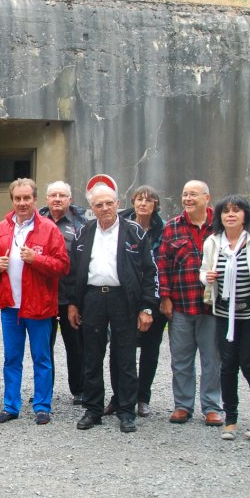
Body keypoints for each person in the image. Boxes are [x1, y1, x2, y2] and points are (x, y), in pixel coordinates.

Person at [67, 184, 157, 433]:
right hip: (93, 298)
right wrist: (73, 303)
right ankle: (93, 409)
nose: (105, 208)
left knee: (125, 357)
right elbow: (73, 273)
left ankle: (126, 411)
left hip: (124, 299)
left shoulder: (134, 232)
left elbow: (150, 272)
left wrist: (147, 308)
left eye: (109, 203)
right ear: (92, 209)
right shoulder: (84, 233)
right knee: (92, 357)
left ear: (118, 204)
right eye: (99, 204)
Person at [0, 178, 70, 426]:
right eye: (17, 199)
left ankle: (42, 406)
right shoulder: (2, 227)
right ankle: (11, 406)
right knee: (12, 358)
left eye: (26, 198)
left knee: (41, 358)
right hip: (11, 305)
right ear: (12, 200)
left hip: (39, 305)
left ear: (35, 200)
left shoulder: (49, 229)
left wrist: (36, 259)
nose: (22, 203)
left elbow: (63, 266)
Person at [200, 195, 250, 442]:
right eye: (225, 211)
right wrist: (206, 277)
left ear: (245, 216)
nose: (230, 215)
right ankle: (230, 418)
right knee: (227, 365)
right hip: (223, 311)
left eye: (236, 211)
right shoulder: (213, 242)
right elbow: (204, 271)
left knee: (249, 364)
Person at [158, 180, 223, 426]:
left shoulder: (220, 225)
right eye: (185, 194)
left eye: (193, 194)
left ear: (207, 197)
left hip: (212, 306)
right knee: (181, 359)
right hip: (181, 304)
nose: (187, 199)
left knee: (211, 359)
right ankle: (182, 405)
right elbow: (163, 263)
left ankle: (212, 407)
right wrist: (165, 297)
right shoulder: (173, 226)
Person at [115, 185, 167, 417]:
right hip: (123, 295)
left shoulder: (163, 230)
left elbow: (162, 267)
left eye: (148, 200)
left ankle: (142, 397)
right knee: (119, 349)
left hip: (152, 294)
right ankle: (120, 396)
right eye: (139, 199)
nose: (143, 203)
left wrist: (161, 298)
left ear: (155, 205)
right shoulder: (120, 223)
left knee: (149, 349)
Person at [39, 180, 89, 405]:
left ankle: (79, 389)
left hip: (70, 296)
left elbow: (83, 265)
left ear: (70, 200)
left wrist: (75, 301)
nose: (57, 199)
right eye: (53, 195)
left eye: (62, 195)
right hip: (43, 296)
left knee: (75, 345)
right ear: (47, 199)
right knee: (43, 347)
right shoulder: (36, 221)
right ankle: (44, 390)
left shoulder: (82, 224)